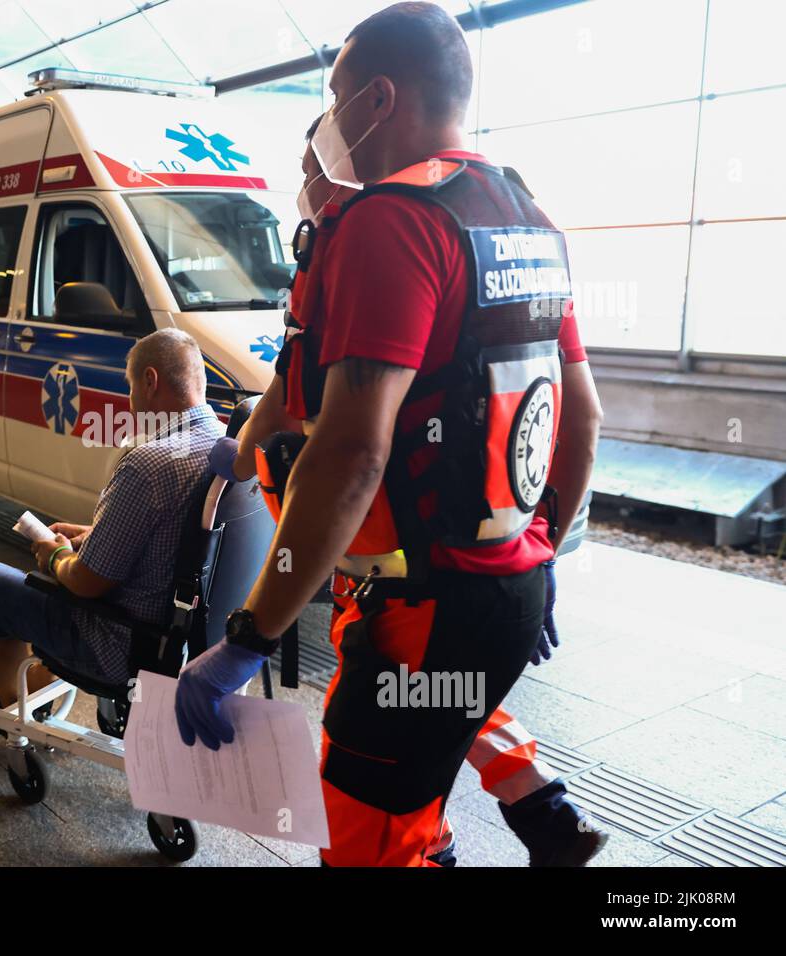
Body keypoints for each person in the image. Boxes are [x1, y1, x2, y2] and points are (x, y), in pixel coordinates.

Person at [176, 1, 605, 867]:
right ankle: (531, 811)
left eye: (334, 100)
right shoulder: (525, 214)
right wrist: (539, 551)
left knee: (368, 849)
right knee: (413, 820)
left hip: (417, 605)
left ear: (377, 99)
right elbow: (583, 416)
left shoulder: (391, 220)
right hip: (503, 591)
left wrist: (250, 639)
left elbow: (354, 450)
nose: (328, 125)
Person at [0, 328, 224, 713]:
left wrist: (55, 555)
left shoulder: (148, 463)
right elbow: (179, 537)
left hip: (121, 645)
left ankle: (12, 698)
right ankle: (23, 688)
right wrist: (97, 533)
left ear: (150, 381)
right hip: (188, 640)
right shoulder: (226, 446)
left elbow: (86, 581)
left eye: (130, 389)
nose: (129, 403)